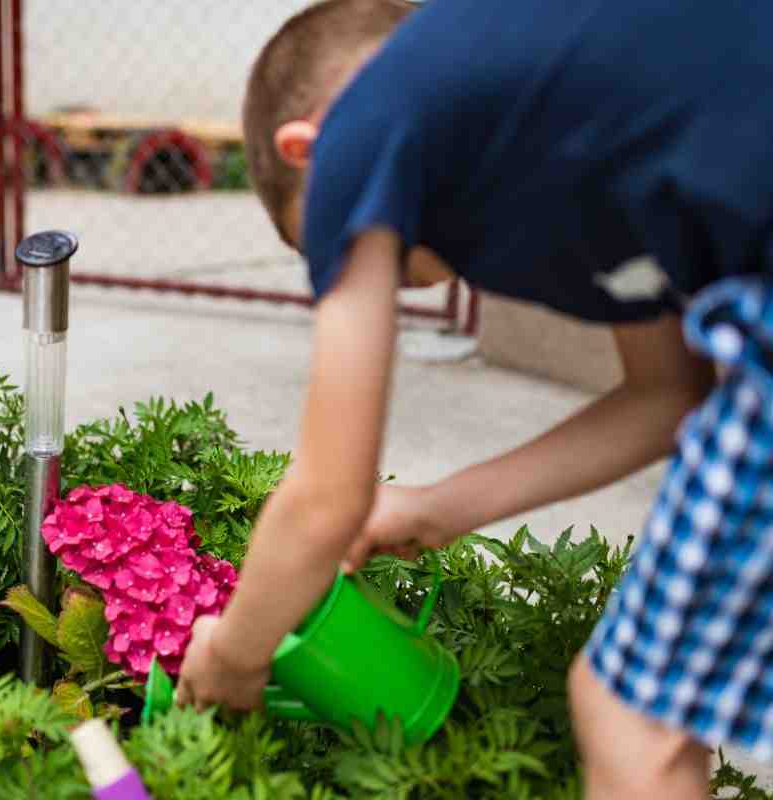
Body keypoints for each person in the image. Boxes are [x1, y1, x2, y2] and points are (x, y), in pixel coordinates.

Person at [177, 0, 773, 796]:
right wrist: (433, 511)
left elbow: (326, 496)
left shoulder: (367, 120)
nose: (368, 268)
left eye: (320, 235)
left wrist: (234, 654)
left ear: (307, 149)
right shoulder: (596, 133)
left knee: (634, 721)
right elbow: (666, 399)